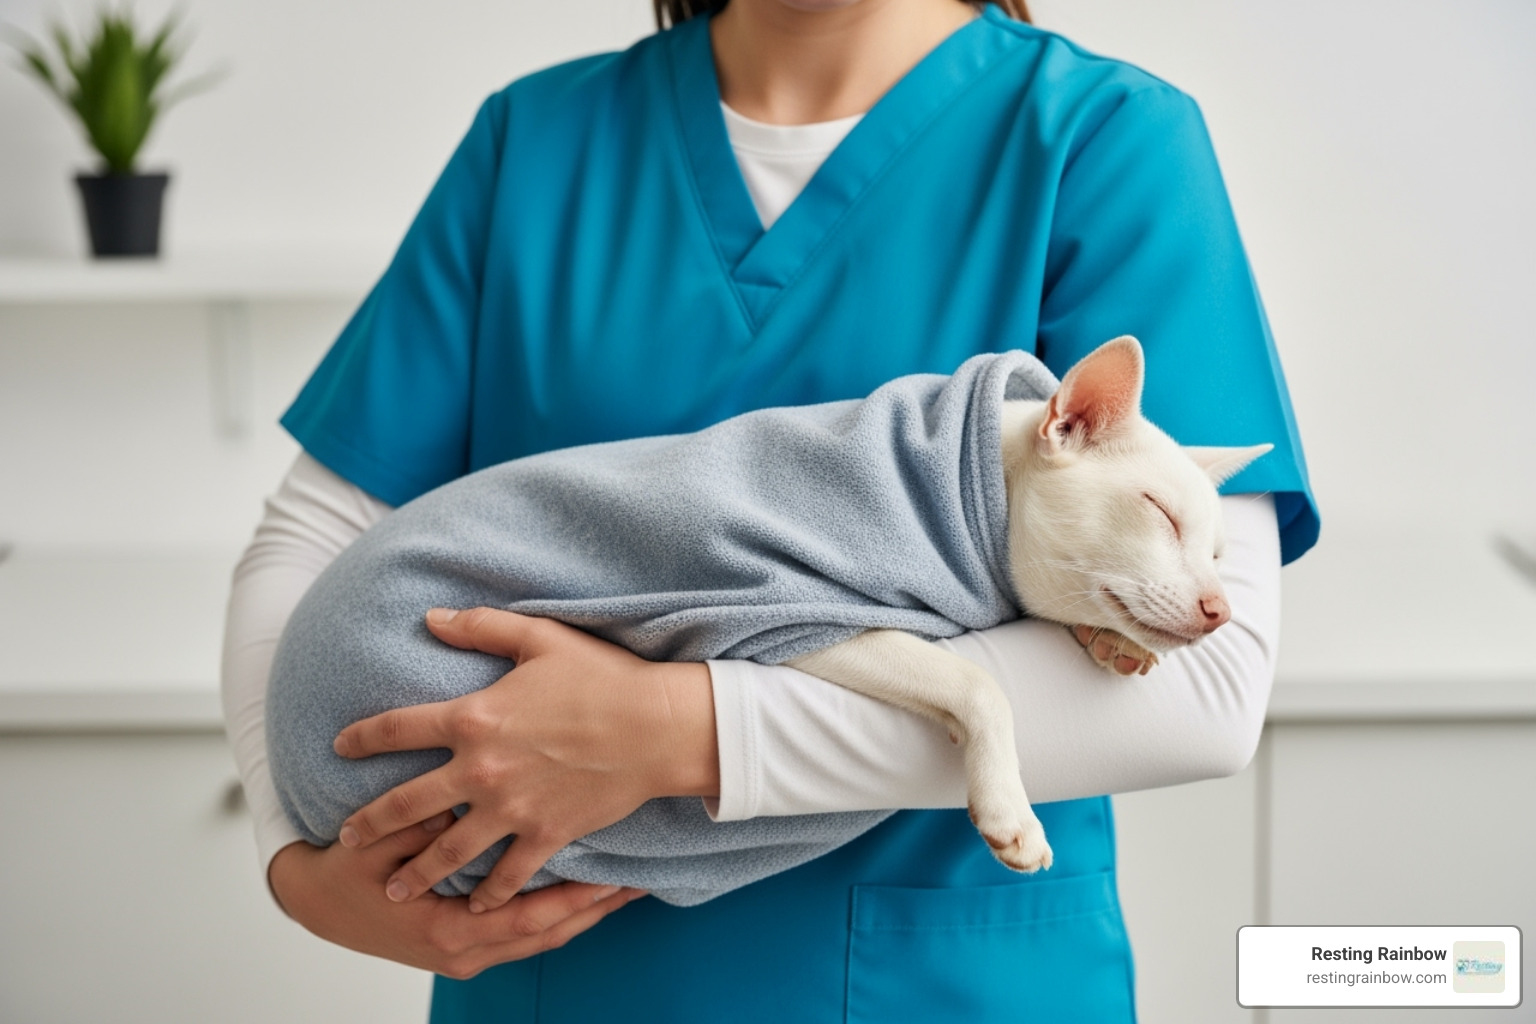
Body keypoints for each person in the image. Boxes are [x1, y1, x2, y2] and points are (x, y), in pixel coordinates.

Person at [220, 0, 1319, 1019]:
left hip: (937, 981)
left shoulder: (1098, 139)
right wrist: (297, 860)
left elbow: (1207, 689)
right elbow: (311, 537)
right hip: (563, 976)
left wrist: (673, 733)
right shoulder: (537, 141)